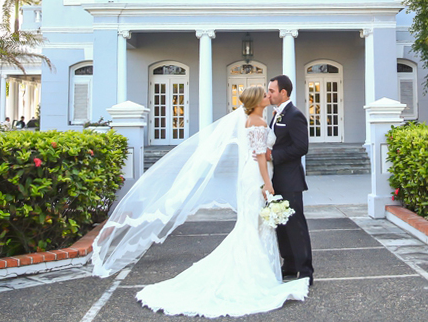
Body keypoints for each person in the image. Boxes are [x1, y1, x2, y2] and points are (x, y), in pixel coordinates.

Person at [92, 85, 308, 317]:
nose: (269, 96)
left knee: (253, 224)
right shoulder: (258, 122)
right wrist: (267, 184)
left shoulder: (255, 119)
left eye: (270, 92)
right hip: (256, 175)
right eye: (265, 94)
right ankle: (254, 274)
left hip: (251, 174)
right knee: (254, 225)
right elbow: (259, 158)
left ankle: (261, 269)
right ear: (256, 101)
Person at [265, 75, 314, 285]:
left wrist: (274, 156)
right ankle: (290, 265)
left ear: (283, 92)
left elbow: (301, 147)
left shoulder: (295, 115)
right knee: (281, 225)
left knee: (296, 226)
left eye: (272, 91)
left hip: (291, 180)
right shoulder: (276, 115)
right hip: (277, 180)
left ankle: (305, 271)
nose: (269, 94)